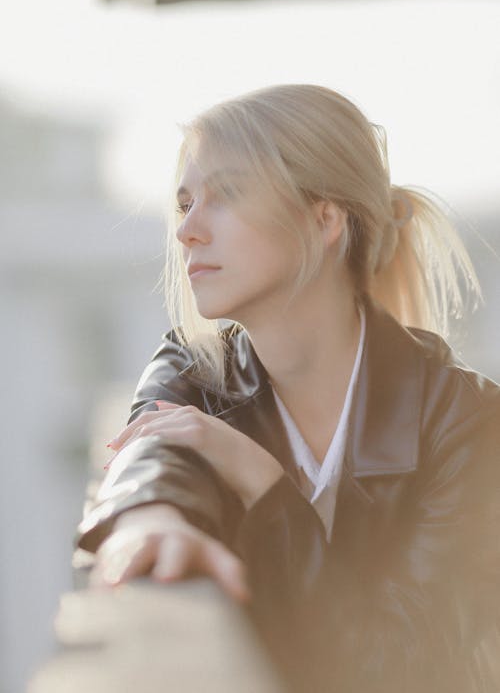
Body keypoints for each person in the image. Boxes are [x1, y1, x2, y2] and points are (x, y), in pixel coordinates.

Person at [76, 84, 500, 692]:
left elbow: (402, 666)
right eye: (185, 202)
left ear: (325, 219)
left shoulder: (464, 420)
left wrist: (264, 484)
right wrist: (151, 520)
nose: (187, 231)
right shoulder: (195, 370)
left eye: (223, 196)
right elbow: (149, 454)